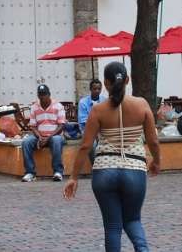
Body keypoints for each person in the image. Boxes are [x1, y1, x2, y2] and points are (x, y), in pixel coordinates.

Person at [64, 62, 161, 252]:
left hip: (104, 171)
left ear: (106, 83)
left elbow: (85, 146)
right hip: (134, 170)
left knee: (112, 227)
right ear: (127, 80)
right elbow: (153, 141)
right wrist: (156, 162)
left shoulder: (98, 110)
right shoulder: (141, 105)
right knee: (133, 220)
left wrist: (74, 177)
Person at [21, 84, 67, 182]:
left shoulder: (58, 106)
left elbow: (61, 126)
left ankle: (58, 171)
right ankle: (30, 173)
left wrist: (48, 137)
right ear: (38, 95)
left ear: (49, 94)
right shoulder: (34, 107)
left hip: (55, 136)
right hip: (39, 136)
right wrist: (39, 137)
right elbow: (33, 126)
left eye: (44, 94)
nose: (42, 97)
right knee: (26, 142)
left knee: (56, 140)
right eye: (40, 94)